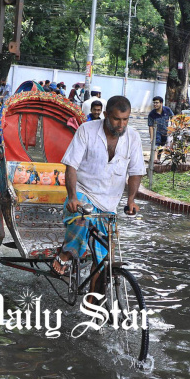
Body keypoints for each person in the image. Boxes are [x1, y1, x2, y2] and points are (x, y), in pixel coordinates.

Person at [50, 95, 144, 278]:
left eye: (125, 119)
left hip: (109, 203)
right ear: (106, 115)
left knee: (104, 261)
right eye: (117, 119)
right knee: (80, 216)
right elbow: (71, 166)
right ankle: (65, 253)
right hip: (83, 192)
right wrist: (72, 197)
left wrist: (131, 200)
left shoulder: (133, 137)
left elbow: (136, 171)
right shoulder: (87, 130)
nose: (121, 124)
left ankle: (94, 301)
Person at [147, 96, 173, 162]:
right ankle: (154, 159)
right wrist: (151, 137)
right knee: (156, 143)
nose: (155, 104)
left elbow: (173, 118)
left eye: (157, 103)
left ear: (161, 103)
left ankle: (157, 159)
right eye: (154, 103)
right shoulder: (152, 114)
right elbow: (150, 126)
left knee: (161, 146)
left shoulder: (167, 110)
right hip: (157, 131)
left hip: (165, 131)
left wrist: (172, 128)